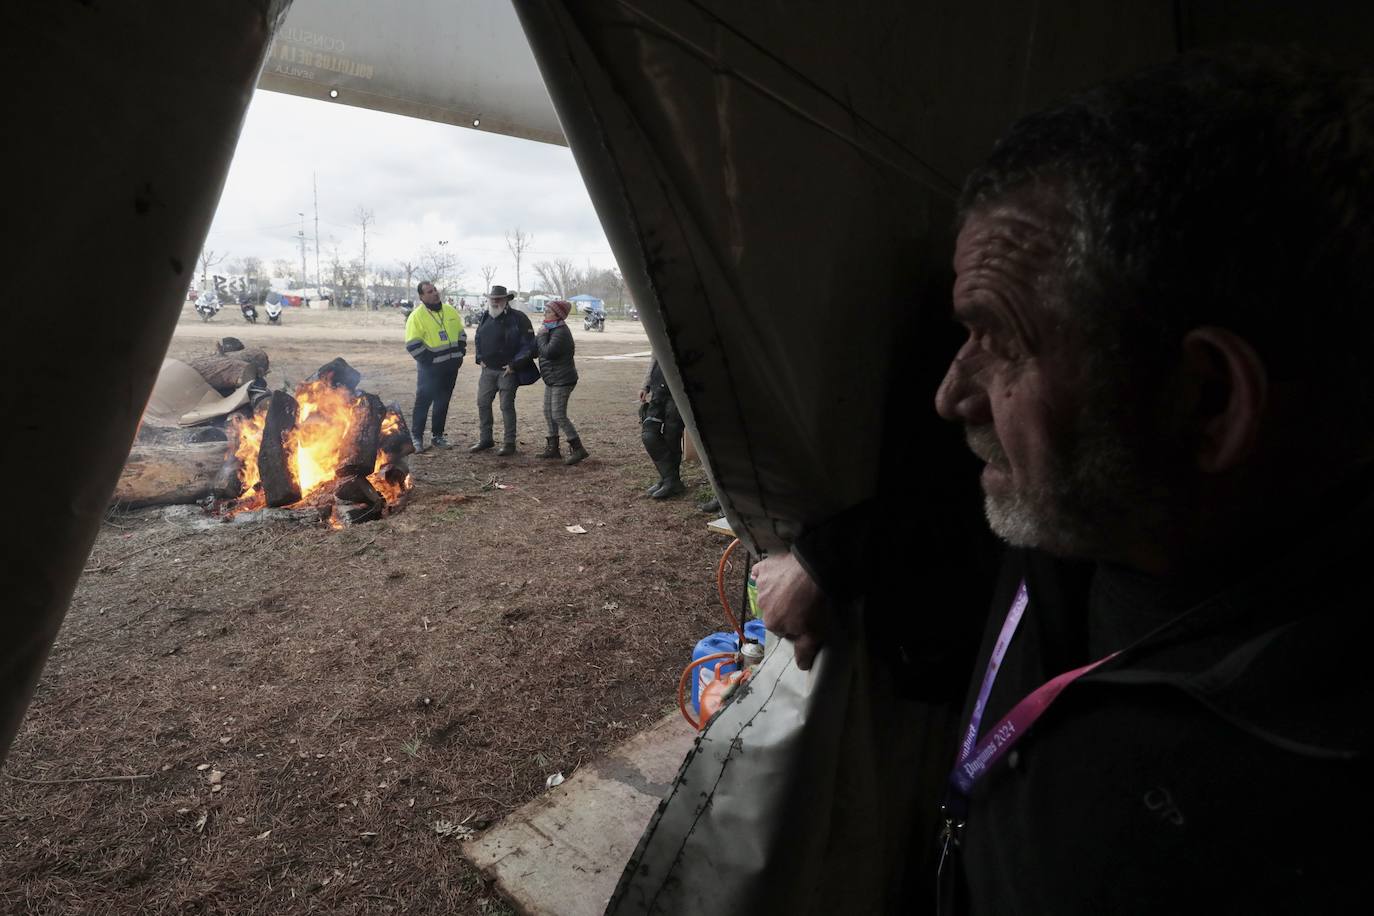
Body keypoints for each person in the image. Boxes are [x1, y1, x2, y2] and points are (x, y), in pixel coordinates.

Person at [755, 48, 1374, 913]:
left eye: (1000, 340)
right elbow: (959, 513)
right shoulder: (1094, 508)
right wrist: (831, 558)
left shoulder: (1317, 799)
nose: (951, 395)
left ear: (1204, 400)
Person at [471, 284, 538, 456]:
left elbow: (529, 345)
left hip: (508, 371)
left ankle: (509, 443)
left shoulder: (519, 318)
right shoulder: (486, 316)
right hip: (488, 370)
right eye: (492, 299)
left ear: (506, 300)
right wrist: (480, 358)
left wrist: (514, 365)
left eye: (498, 299)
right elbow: (478, 337)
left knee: (506, 406)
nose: (494, 302)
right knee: (482, 403)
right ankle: (486, 439)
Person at [404, 280, 466, 451]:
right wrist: (430, 361)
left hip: (451, 368)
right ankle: (416, 438)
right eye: (429, 291)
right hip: (430, 371)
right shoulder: (416, 316)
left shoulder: (450, 310)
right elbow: (412, 344)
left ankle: (437, 436)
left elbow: (461, 334)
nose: (435, 293)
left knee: (443, 402)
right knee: (423, 403)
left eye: (435, 290)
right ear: (422, 296)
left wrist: (460, 353)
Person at [535, 299, 589, 464]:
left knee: (558, 414)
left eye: (548, 311)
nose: (545, 313)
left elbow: (548, 352)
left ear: (557, 315)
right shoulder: (551, 329)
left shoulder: (560, 332)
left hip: (563, 379)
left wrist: (541, 336)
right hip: (552, 378)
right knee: (548, 411)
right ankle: (553, 448)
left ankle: (578, 448)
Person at [639, 357, 685, 499]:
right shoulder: (660, 334)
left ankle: (671, 481)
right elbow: (655, 356)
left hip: (678, 392)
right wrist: (646, 385)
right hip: (658, 388)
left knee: (672, 438)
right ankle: (668, 478)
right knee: (649, 435)